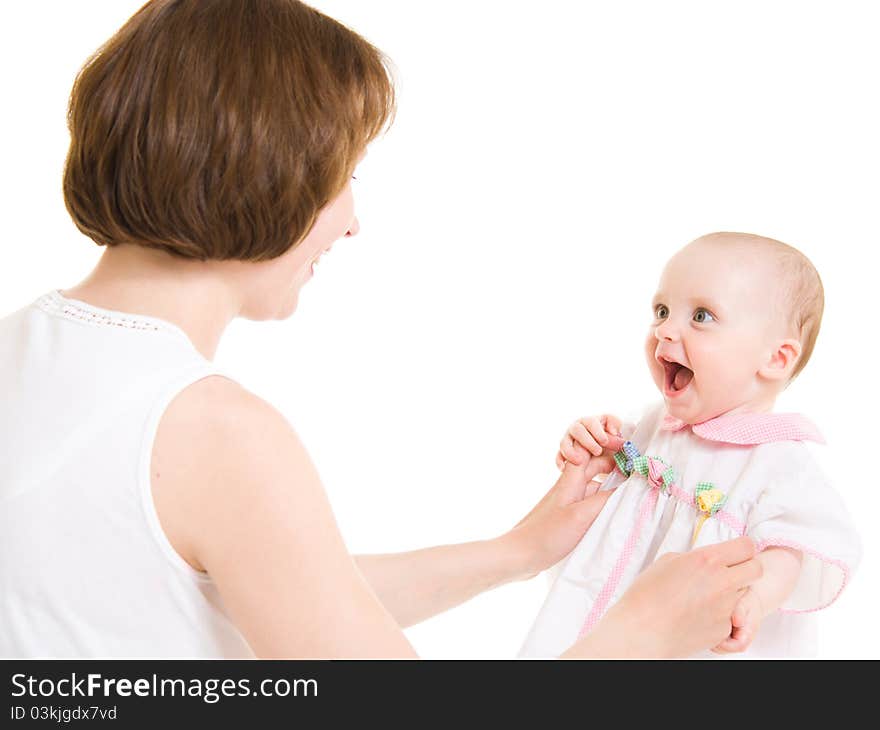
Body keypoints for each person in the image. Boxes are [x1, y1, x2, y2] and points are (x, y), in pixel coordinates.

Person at [0, 0, 762, 659]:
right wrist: (640, 634)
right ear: (272, 167)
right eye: (346, 177)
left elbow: (272, 588)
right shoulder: (211, 432)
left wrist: (517, 554)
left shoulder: (24, 350)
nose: (352, 222)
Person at [520, 233, 862, 658]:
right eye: (661, 311)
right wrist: (594, 452)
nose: (665, 329)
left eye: (701, 315)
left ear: (775, 358)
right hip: (593, 632)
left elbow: (793, 550)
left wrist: (755, 597)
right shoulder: (650, 429)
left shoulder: (778, 464)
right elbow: (598, 506)